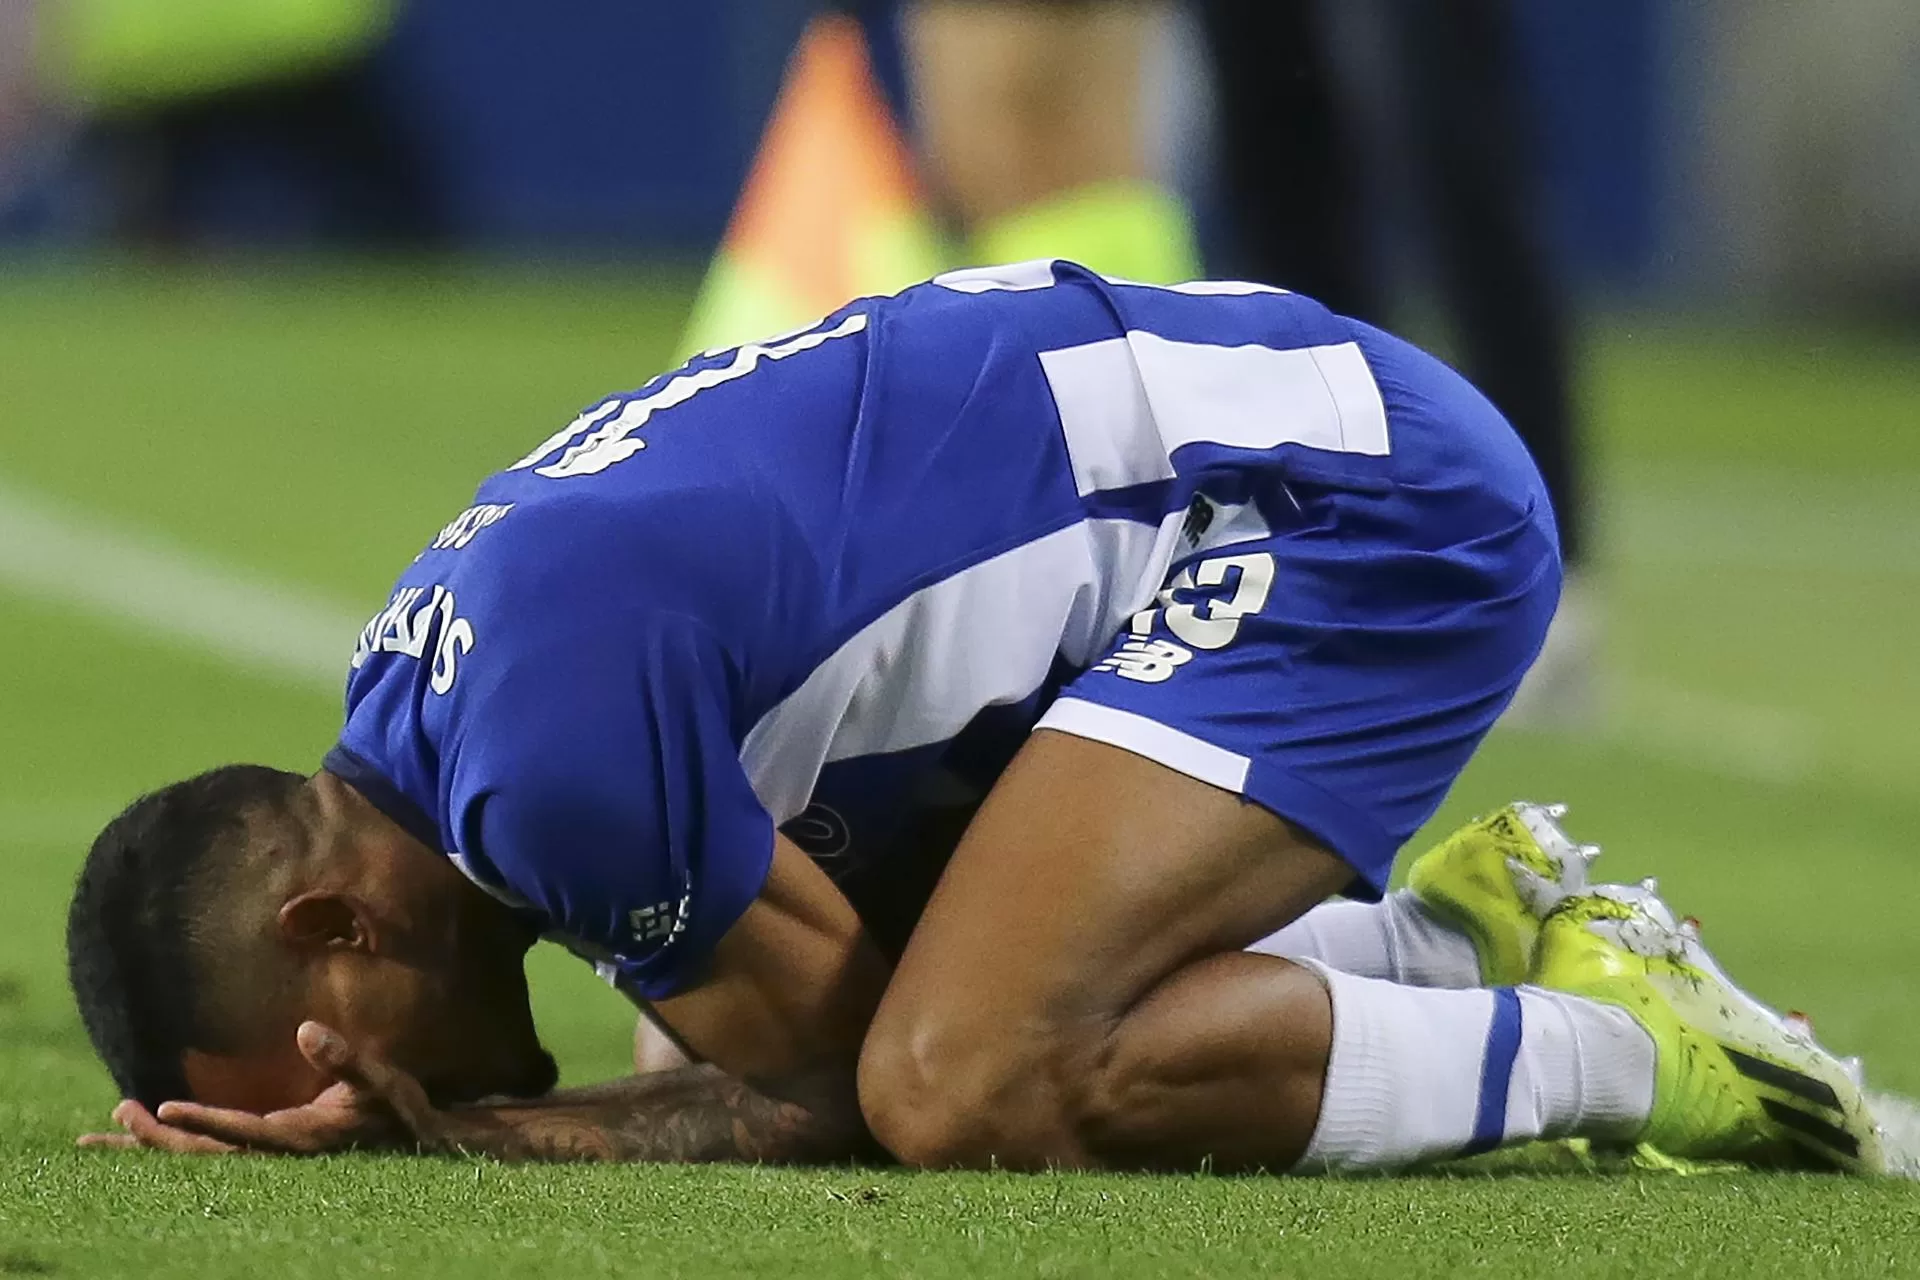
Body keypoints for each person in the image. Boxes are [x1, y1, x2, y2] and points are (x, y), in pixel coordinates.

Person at [67, 262, 1881, 1174]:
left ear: (332, 921)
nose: (358, 1091)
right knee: (930, 995)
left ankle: (1612, 1042)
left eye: (320, 1060)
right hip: (1247, 438)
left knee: (965, 1075)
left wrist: (467, 1136)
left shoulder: (537, 774)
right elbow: (738, 1020)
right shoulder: (434, 690)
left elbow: (833, 1087)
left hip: (1342, 508)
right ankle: (1438, 942)